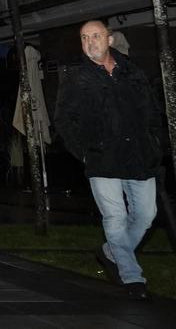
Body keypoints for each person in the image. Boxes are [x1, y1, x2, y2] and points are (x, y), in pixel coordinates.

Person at [54, 20, 165, 300]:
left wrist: (154, 143)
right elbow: (64, 121)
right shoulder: (76, 78)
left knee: (146, 215)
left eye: (96, 36)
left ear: (110, 39)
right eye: (84, 37)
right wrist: (85, 151)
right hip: (103, 161)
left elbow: (152, 112)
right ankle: (132, 277)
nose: (91, 42)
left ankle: (109, 252)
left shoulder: (133, 72)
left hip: (140, 158)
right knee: (115, 217)